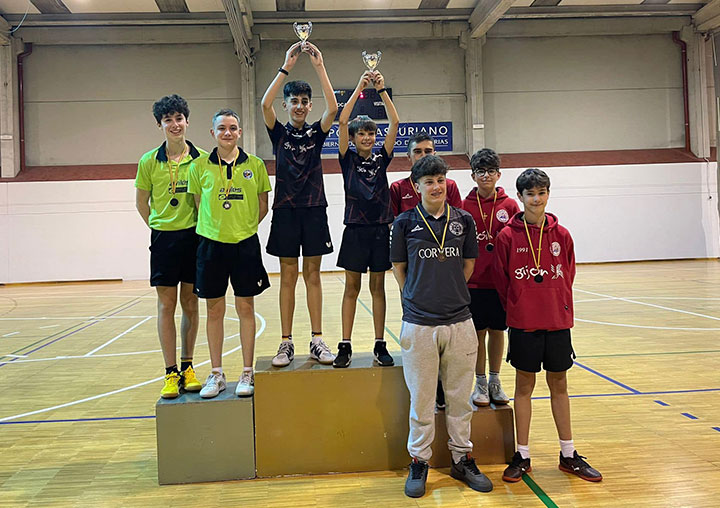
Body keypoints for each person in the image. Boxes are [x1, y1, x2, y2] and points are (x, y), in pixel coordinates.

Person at [390, 155, 493, 498]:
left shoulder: (463, 219)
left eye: (440, 180)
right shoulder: (404, 223)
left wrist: (451, 295)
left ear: (448, 184)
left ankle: (462, 458)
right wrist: (415, 297)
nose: (436, 187)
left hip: (460, 320)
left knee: (459, 398)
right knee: (421, 400)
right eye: (429, 181)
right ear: (416, 187)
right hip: (419, 323)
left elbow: (469, 265)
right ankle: (419, 461)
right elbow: (399, 268)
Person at [492, 168, 602, 483]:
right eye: (530, 194)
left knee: (560, 386)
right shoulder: (507, 237)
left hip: (556, 322)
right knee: (524, 387)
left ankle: (568, 454)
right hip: (524, 324)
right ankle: (522, 455)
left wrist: (558, 304)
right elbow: (502, 282)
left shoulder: (562, 235)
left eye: (541, 193)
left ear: (548, 195)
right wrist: (518, 306)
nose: (536, 199)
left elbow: (568, 273)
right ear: (520, 197)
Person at [261, 41, 338, 367]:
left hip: (314, 209)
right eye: (294, 101)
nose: (300, 106)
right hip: (286, 212)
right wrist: (286, 66)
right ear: (287, 104)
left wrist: (319, 66)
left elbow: (333, 109)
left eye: (305, 102)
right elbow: (264, 104)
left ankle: (317, 339)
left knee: (313, 276)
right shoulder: (278, 133)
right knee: (288, 276)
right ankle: (286, 342)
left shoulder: (315, 134)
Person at [187, 109, 271, 398]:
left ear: (240, 132)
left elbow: (263, 205)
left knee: (245, 307)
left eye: (233, 128)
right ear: (213, 133)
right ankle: (217, 373)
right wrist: (218, 227)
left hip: (245, 244)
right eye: (221, 128)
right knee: (214, 309)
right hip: (210, 244)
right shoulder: (198, 166)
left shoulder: (256, 165)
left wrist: (243, 227)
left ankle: (247, 372)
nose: (227, 133)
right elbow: (198, 203)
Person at [135, 94, 207, 399]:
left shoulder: (202, 159)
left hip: (194, 237)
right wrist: (158, 226)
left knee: (190, 304)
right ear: (159, 125)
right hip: (164, 239)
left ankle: (188, 366)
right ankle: (170, 372)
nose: (174, 125)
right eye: (168, 120)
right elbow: (142, 203)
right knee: (166, 305)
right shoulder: (149, 161)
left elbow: (204, 202)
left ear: (187, 122)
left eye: (179, 119)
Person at [333, 70, 398, 368]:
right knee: (351, 288)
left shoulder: (382, 158)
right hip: (355, 229)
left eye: (371, 133)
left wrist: (382, 91)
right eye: (362, 134)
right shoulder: (348, 159)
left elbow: (395, 122)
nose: (367, 138)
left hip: (380, 229)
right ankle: (344, 345)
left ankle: (379, 343)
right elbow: (343, 121)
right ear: (353, 138)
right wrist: (360, 86)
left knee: (377, 288)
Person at [461, 149, 519, 406]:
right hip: (473, 282)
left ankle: (495, 380)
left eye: (490, 171)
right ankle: (480, 382)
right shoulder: (464, 206)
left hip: (500, 283)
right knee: (476, 334)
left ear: (499, 174)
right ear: (473, 175)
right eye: (480, 172)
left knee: (497, 332)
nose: (486, 176)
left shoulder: (510, 205)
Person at [389, 132, 463, 216]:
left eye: (428, 151)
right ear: (409, 156)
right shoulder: (397, 188)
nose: (423, 155)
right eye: (417, 151)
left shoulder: (449, 185)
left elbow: (459, 219)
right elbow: (394, 223)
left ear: (434, 154)